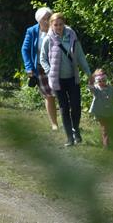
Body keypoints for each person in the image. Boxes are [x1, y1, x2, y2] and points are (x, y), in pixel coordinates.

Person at [41, 13, 91, 146]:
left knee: (76, 106)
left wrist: (89, 73)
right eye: (55, 25)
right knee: (64, 108)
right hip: (57, 80)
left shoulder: (72, 36)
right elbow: (43, 59)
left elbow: (80, 56)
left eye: (61, 24)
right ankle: (70, 138)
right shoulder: (48, 39)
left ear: (64, 24)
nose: (58, 27)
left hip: (72, 78)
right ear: (51, 25)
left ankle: (76, 130)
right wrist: (49, 71)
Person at [22, 7, 60, 131]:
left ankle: (68, 121)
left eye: (49, 17)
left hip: (56, 66)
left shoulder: (56, 29)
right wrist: (29, 67)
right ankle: (54, 124)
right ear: (38, 20)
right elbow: (25, 50)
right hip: (40, 68)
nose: (47, 20)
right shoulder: (32, 31)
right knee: (49, 96)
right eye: (45, 18)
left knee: (62, 94)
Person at [88, 69, 113, 149]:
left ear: (106, 79)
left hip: (110, 111)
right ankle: (106, 146)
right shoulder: (96, 89)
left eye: (104, 80)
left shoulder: (110, 88)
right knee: (104, 128)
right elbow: (91, 88)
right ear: (96, 81)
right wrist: (91, 81)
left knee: (111, 127)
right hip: (100, 112)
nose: (102, 83)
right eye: (99, 81)